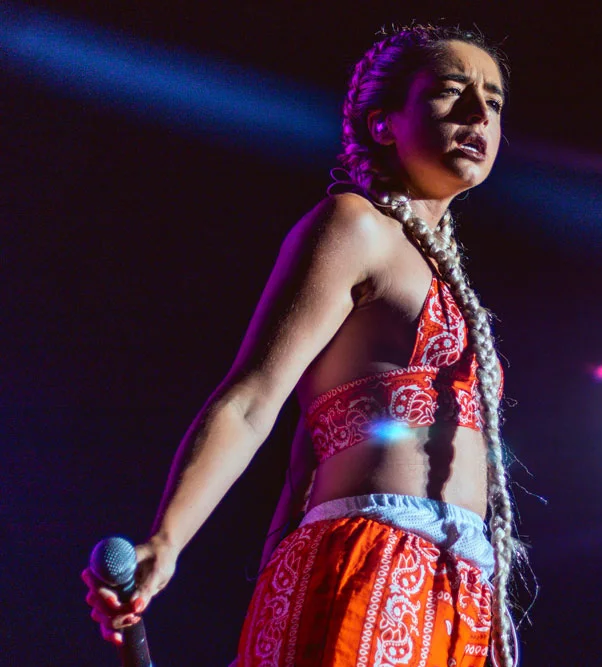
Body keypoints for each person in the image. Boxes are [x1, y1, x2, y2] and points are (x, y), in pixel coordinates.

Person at [82, 24, 524, 667]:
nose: (479, 112)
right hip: (369, 567)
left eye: (494, 100)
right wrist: (167, 539)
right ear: (382, 123)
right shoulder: (355, 227)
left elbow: (308, 451)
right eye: (451, 91)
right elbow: (252, 399)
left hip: (459, 589)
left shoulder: (443, 272)